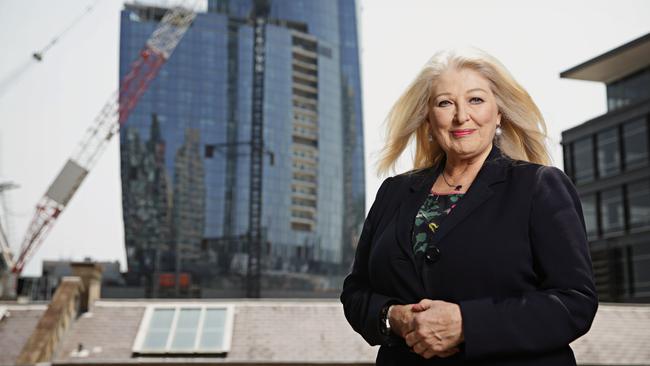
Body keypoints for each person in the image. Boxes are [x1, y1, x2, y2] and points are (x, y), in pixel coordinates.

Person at [340, 48, 598, 365]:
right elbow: (355, 292)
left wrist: (466, 324)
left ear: (499, 112)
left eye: (476, 100)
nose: (462, 116)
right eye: (445, 103)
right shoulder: (393, 192)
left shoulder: (539, 187)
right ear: (428, 117)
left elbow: (575, 303)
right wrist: (395, 318)